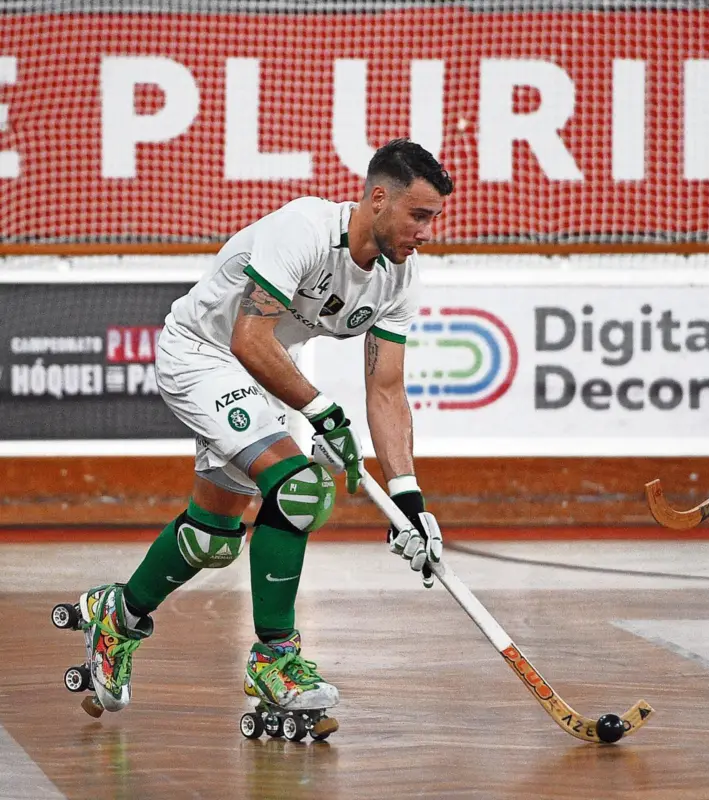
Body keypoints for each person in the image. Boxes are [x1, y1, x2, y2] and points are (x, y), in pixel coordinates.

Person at [72, 139, 453, 722]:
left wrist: (409, 499)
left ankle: (116, 617)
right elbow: (247, 339)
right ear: (379, 199)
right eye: (419, 215)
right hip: (201, 355)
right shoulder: (302, 229)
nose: (427, 231)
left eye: (434, 218)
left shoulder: (398, 279)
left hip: (262, 373)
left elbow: (386, 389)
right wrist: (322, 410)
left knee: (213, 538)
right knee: (299, 487)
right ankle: (275, 658)